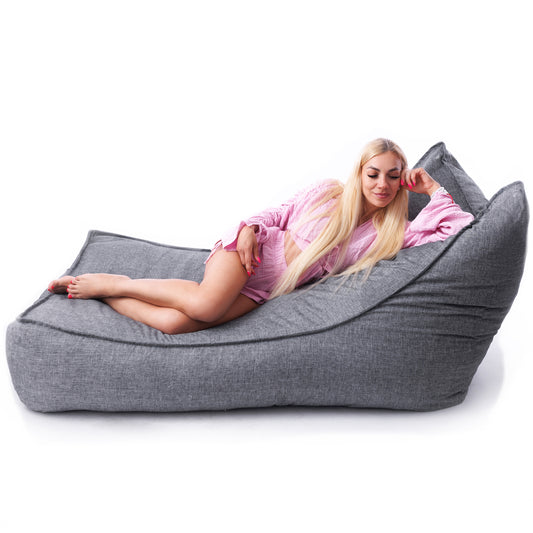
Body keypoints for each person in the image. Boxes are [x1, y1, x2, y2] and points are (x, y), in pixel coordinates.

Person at [48, 138, 474, 334]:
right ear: (360, 173)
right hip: (249, 252)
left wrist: (432, 188)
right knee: (205, 304)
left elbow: (459, 227)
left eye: (393, 176)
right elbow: (276, 214)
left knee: (175, 324)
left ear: (401, 181)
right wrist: (250, 229)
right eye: (374, 173)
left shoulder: (390, 234)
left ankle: (107, 292)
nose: (382, 184)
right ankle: (117, 283)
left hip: (265, 290)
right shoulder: (327, 192)